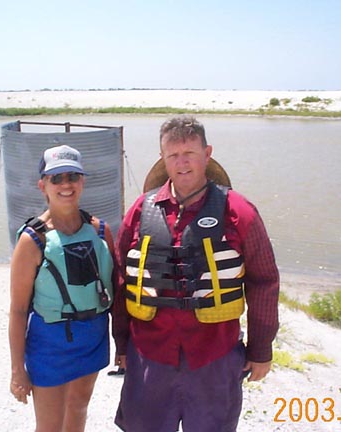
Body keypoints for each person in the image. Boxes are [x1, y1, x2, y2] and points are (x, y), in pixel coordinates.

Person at [112, 116, 280, 432]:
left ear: (207, 153)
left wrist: (261, 349)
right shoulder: (139, 211)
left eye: (190, 152)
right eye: (173, 154)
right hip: (150, 355)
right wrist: (121, 344)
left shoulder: (240, 211)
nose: (182, 162)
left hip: (214, 357)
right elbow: (122, 279)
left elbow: (264, 281)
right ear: (162, 158)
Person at [8, 144, 115, 432]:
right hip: (50, 343)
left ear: (83, 181)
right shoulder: (32, 242)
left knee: (79, 409)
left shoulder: (100, 231)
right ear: (42, 185)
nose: (65, 185)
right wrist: (18, 370)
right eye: (56, 178)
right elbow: (18, 311)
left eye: (72, 176)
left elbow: (114, 291)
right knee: (50, 426)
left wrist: (125, 345)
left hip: (92, 336)